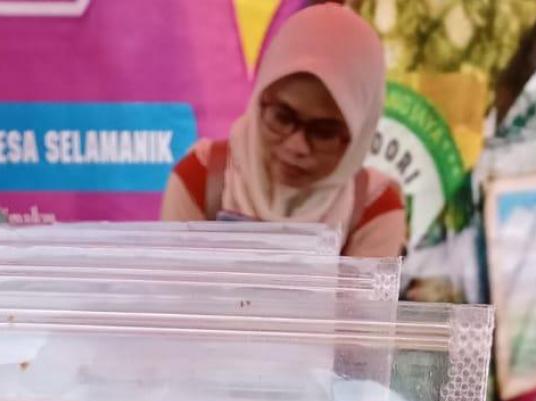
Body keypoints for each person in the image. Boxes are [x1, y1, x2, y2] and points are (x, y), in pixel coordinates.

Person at [161, 4, 406, 258]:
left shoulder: (375, 208)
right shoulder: (199, 180)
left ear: (358, 135)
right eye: (282, 117)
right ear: (260, 102)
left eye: (323, 132)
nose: (297, 146)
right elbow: (174, 283)